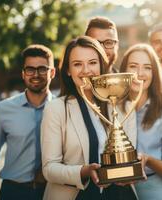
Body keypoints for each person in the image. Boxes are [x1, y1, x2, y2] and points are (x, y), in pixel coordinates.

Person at [41, 36, 137, 200]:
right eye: (77, 64)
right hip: (75, 195)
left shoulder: (122, 107)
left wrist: (131, 168)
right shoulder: (55, 109)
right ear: (68, 70)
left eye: (92, 62)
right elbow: (49, 169)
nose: (86, 70)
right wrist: (83, 171)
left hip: (119, 195)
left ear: (101, 65)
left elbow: (129, 155)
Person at [0, 44, 56, 200]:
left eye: (42, 69)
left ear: (52, 72)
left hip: (52, 191)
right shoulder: (3, 110)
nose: (35, 74)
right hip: (13, 192)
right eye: (30, 69)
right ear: (23, 74)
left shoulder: (63, 109)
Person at [119, 43, 162, 200]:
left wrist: (148, 160)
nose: (140, 73)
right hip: (114, 186)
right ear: (124, 70)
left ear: (154, 72)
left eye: (147, 68)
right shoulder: (110, 105)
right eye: (133, 66)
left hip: (151, 184)